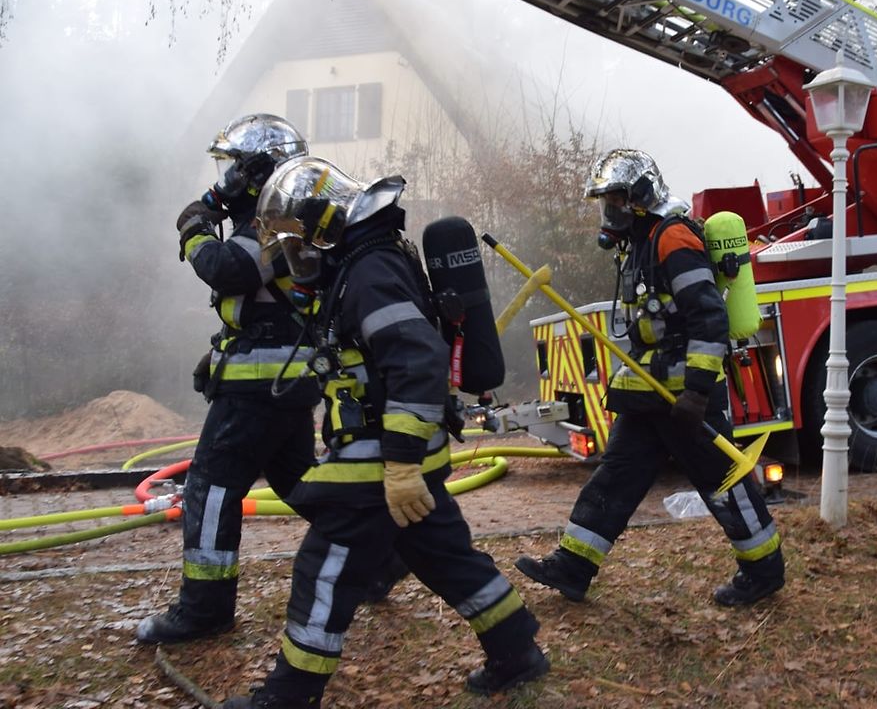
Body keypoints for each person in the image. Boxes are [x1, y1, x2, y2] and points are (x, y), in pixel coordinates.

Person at [219, 157, 546, 708]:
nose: (294, 253)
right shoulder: (368, 261)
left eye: (298, 238)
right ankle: (517, 650)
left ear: (323, 226)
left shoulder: (369, 272)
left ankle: (289, 697)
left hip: (377, 464)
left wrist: (397, 462)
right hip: (401, 457)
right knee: (447, 558)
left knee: (322, 575)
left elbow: (417, 359)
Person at [514, 149, 785, 607]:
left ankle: (764, 570)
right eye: (604, 203)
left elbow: (709, 317)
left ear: (639, 197)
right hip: (648, 393)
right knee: (615, 477)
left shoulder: (672, 238)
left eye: (615, 201)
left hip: (684, 397)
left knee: (723, 484)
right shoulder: (639, 242)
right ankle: (574, 566)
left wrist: (697, 393)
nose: (608, 212)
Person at [138, 114, 328, 645]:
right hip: (278, 380)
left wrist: (194, 225)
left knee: (210, 489)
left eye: (230, 168)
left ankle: (205, 609)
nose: (223, 180)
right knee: (299, 483)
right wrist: (223, 353)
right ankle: (379, 557)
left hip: (261, 388)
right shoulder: (286, 217)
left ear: (257, 170)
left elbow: (229, 270)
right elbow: (258, 305)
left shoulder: (276, 222)